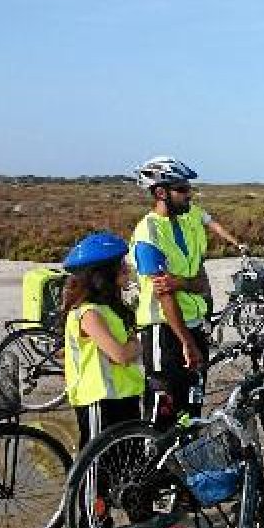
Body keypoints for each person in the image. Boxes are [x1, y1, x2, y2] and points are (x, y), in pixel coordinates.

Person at [130, 156, 227, 426]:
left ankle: (184, 465)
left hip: (194, 324)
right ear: (161, 192)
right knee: (164, 411)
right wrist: (186, 342)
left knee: (191, 410)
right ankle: (157, 467)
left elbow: (201, 281)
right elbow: (164, 294)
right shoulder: (148, 233)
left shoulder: (186, 223)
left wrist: (183, 282)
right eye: (182, 190)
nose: (189, 195)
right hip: (164, 331)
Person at [60, 232, 144, 449]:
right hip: (99, 402)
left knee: (127, 471)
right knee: (98, 474)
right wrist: (135, 345)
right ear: (103, 274)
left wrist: (133, 346)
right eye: (120, 264)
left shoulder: (112, 309)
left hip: (125, 398)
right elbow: (120, 355)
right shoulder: (88, 314)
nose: (127, 268)